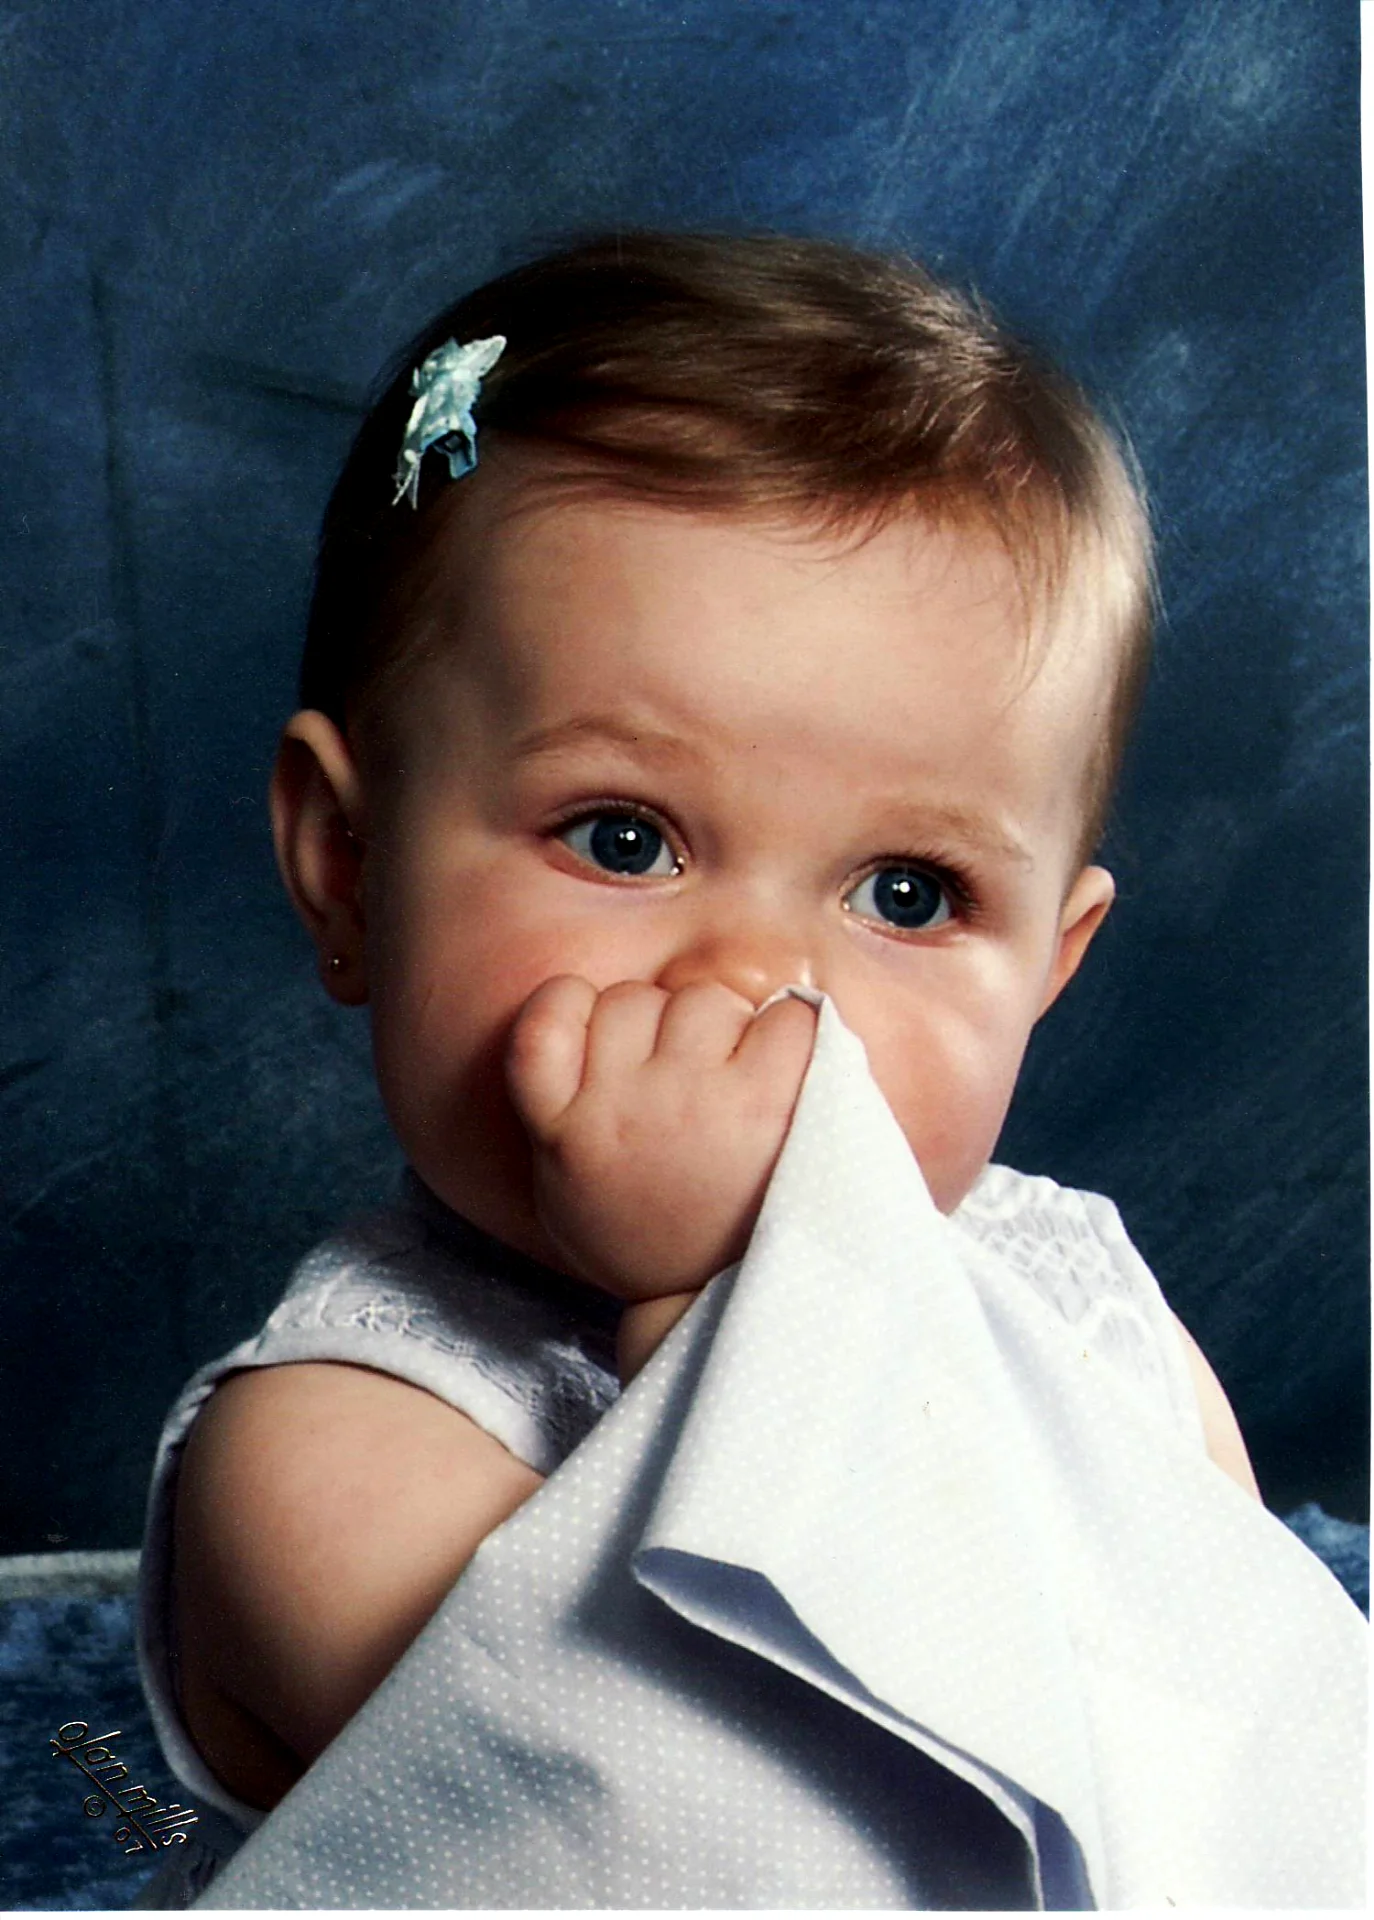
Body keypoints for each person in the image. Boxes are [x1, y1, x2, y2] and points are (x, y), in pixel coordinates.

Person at [133, 230, 1263, 1906]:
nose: (757, 985)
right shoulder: (327, 1457)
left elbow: (1244, 1746)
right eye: (624, 837)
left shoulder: (1087, 1319)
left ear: (1047, 965)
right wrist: (720, 1293)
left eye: (906, 894)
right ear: (347, 869)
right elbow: (742, 1844)